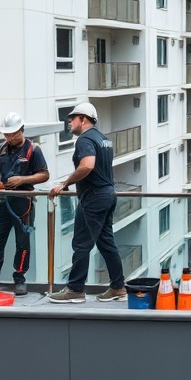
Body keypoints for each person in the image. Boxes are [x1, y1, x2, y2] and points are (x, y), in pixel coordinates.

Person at [48, 102, 126, 303]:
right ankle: (118, 287)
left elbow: (88, 165)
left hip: (94, 198)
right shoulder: (103, 139)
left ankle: (75, 289)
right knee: (106, 243)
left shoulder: (84, 140)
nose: (69, 123)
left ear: (83, 119)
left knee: (81, 244)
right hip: (108, 195)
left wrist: (64, 183)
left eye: (72, 119)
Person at [0, 113, 49, 296]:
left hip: (23, 202)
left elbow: (44, 174)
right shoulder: (0, 150)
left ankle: (19, 279)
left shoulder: (33, 150)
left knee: (22, 242)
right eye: (6, 134)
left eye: (12, 134)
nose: (9, 137)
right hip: (3, 201)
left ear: (21, 130)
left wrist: (22, 179)